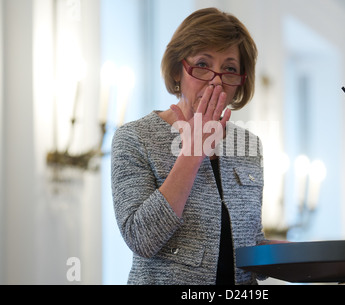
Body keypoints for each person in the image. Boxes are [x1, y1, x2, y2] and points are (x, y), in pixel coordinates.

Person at [111, 7, 284, 285]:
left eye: (229, 68)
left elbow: (248, 246)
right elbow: (141, 239)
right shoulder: (135, 137)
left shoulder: (249, 145)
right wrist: (192, 153)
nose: (216, 79)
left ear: (240, 83)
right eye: (203, 64)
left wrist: (315, 256)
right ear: (178, 70)